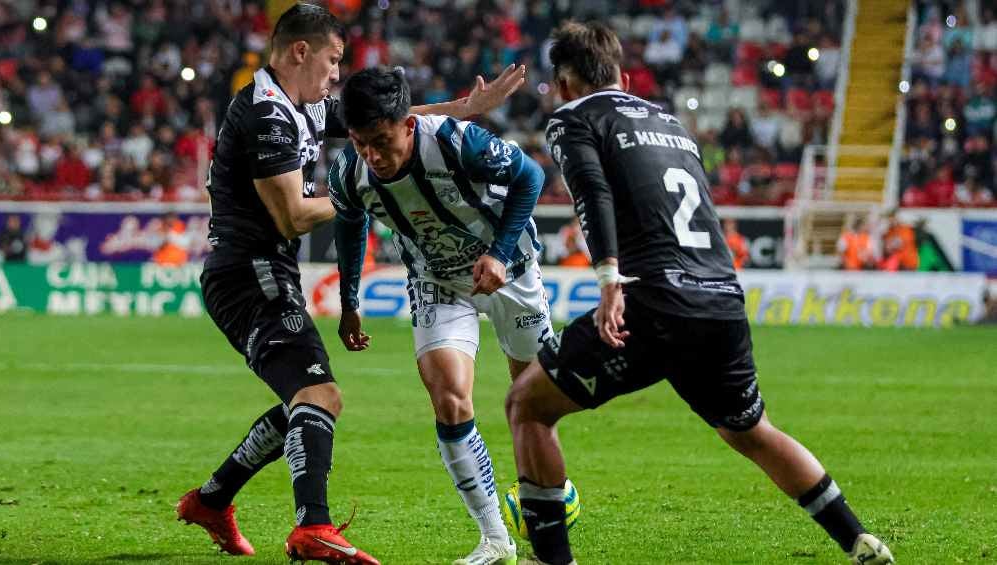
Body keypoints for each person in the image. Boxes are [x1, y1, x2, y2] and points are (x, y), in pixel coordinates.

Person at [504, 22, 894, 565]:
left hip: (653, 300)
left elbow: (592, 192)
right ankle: (859, 539)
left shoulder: (575, 117)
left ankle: (551, 560)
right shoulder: (672, 124)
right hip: (720, 299)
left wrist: (610, 278)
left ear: (565, 85)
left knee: (527, 404)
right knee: (752, 431)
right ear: (623, 77)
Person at [176, 4, 525, 563]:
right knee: (319, 396)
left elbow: (384, 119)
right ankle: (312, 526)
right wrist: (368, 191)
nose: (337, 73)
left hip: (267, 269)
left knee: (305, 402)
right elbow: (292, 216)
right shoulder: (266, 113)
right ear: (301, 51)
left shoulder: (304, 104)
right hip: (247, 271)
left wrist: (461, 109)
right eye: (334, 59)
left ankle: (212, 500)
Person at [328, 67, 550, 565]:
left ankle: (547, 516)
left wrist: (498, 252)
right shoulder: (348, 173)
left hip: (510, 271)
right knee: (449, 398)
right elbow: (349, 223)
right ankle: (495, 538)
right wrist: (349, 301)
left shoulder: (456, 142)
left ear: (407, 124)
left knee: (532, 403)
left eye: (381, 141)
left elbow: (530, 177)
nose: (372, 156)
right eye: (361, 144)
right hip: (436, 280)